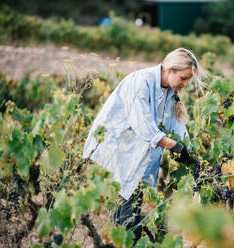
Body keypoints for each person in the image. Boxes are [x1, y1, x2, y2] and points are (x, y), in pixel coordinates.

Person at [82, 47, 207, 242]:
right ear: (170, 70)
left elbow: (177, 126)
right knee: (126, 215)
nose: (185, 83)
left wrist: (190, 154)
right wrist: (174, 146)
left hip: (137, 157)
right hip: (118, 152)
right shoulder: (141, 81)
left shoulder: (169, 93)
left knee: (130, 211)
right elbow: (142, 123)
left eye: (188, 80)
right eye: (183, 78)